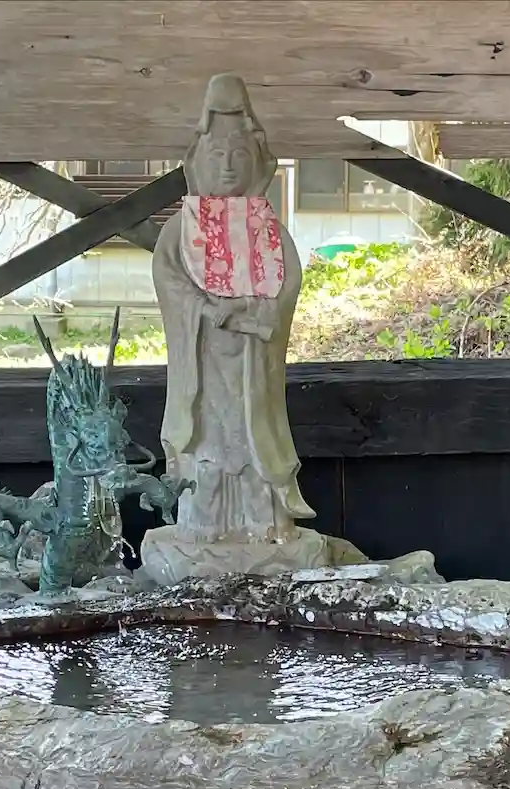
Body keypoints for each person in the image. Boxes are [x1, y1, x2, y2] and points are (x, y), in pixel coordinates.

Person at [149, 74, 316, 551]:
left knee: (253, 437)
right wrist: (202, 308)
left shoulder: (267, 228)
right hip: (204, 357)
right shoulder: (181, 228)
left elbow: (286, 283)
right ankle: (204, 526)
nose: (227, 166)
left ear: (258, 163)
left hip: (250, 360)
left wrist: (252, 307)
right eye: (217, 155)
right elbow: (169, 278)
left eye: (239, 155)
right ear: (196, 163)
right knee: (208, 441)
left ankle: (265, 525)